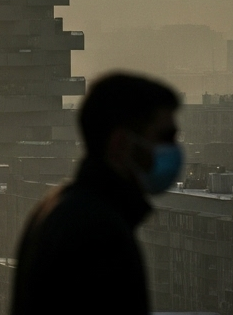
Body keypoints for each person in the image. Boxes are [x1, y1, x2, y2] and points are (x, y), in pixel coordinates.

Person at [10, 73, 182, 315]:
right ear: (121, 143)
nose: (174, 150)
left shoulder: (58, 208)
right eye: (165, 137)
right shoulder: (99, 232)